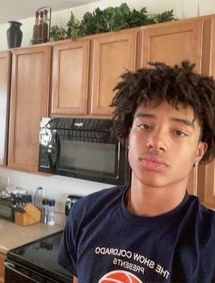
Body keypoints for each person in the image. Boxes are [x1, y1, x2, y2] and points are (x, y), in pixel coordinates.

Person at [58, 61, 215, 283]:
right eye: (144, 126)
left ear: (199, 151)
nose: (156, 141)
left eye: (178, 132)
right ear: (128, 134)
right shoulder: (85, 213)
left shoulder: (208, 243)